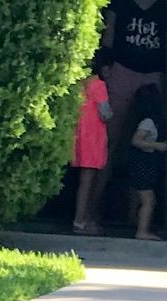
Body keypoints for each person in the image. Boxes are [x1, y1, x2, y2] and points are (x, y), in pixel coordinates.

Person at [100, 0, 167, 207]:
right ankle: (92, 207)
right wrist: (103, 63)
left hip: (152, 76)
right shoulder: (120, 4)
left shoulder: (165, 8)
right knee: (108, 142)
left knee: (144, 144)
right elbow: (108, 36)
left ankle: (136, 215)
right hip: (122, 70)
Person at [70, 56, 112, 235]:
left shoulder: (77, 85)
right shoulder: (98, 85)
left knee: (82, 181)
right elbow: (105, 113)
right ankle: (81, 221)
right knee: (88, 181)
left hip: (78, 135)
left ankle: (81, 220)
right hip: (93, 138)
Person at [126, 84, 167, 240]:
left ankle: (137, 223)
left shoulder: (145, 120)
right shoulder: (148, 122)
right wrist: (158, 145)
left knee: (142, 198)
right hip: (143, 164)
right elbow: (136, 141)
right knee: (148, 200)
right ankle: (142, 231)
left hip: (145, 164)